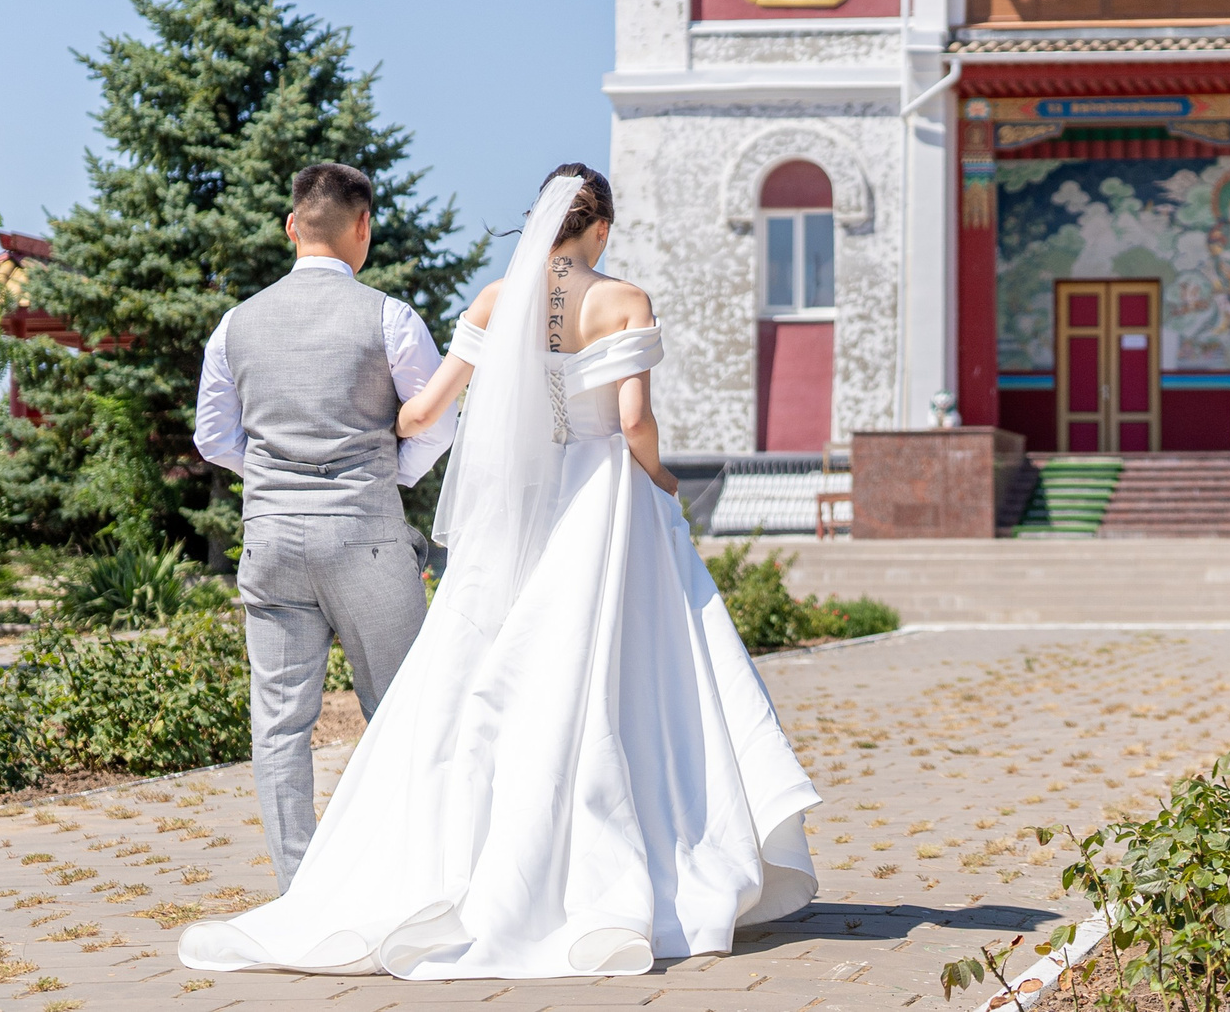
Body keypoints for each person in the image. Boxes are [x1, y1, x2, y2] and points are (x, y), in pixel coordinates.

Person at [179, 165, 820, 979]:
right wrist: (658, 478)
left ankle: (396, 863)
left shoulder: (491, 300)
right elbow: (633, 420)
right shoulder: (625, 300)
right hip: (602, 506)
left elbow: (418, 413)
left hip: (505, 512)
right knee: (621, 680)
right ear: (602, 228)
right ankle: (640, 852)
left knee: (468, 685)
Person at [192, 161, 456, 893]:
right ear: (362, 228)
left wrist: (275, 479)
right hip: (364, 535)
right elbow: (439, 423)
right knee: (400, 708)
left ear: (290, 227)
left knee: (279, 722)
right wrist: (387, 475)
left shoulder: (234, 324)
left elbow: (213, 437)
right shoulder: (388, 317)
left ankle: (300, 888)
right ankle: (411, 877)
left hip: (270, 539)